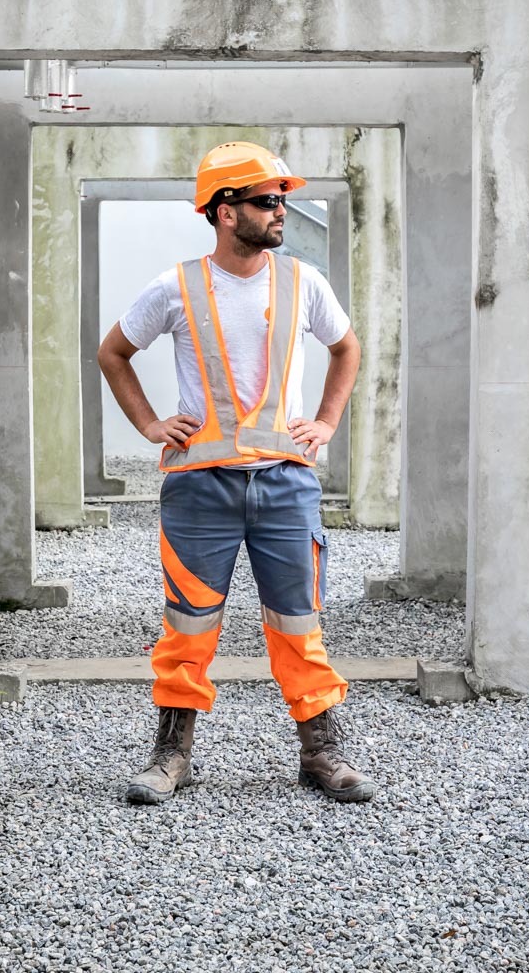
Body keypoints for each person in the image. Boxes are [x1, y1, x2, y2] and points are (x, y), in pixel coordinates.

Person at [97, 141, 377, 805]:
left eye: (281, 200)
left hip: (284, 483)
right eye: (267, 200)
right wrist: (149, 424)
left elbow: (346, 348)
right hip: (201, 487)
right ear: (225, 211)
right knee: (187, 628)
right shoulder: (175, 287)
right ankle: (172, 755)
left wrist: (326, 423)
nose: (280, 211)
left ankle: (321, 752)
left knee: (298, 623)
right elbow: (112, 353)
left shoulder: (304, 282)